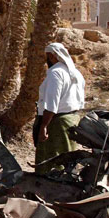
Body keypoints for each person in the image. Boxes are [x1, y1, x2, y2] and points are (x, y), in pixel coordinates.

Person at [35, 43, 86, 175]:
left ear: (52, 56)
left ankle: (49, 189)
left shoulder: (55, 73)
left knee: (53, 159)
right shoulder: (76, 73)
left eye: (47, 56)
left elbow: (52, 103)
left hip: (57, 123)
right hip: (73, 119)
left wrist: (44, 126)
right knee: (69, 155)